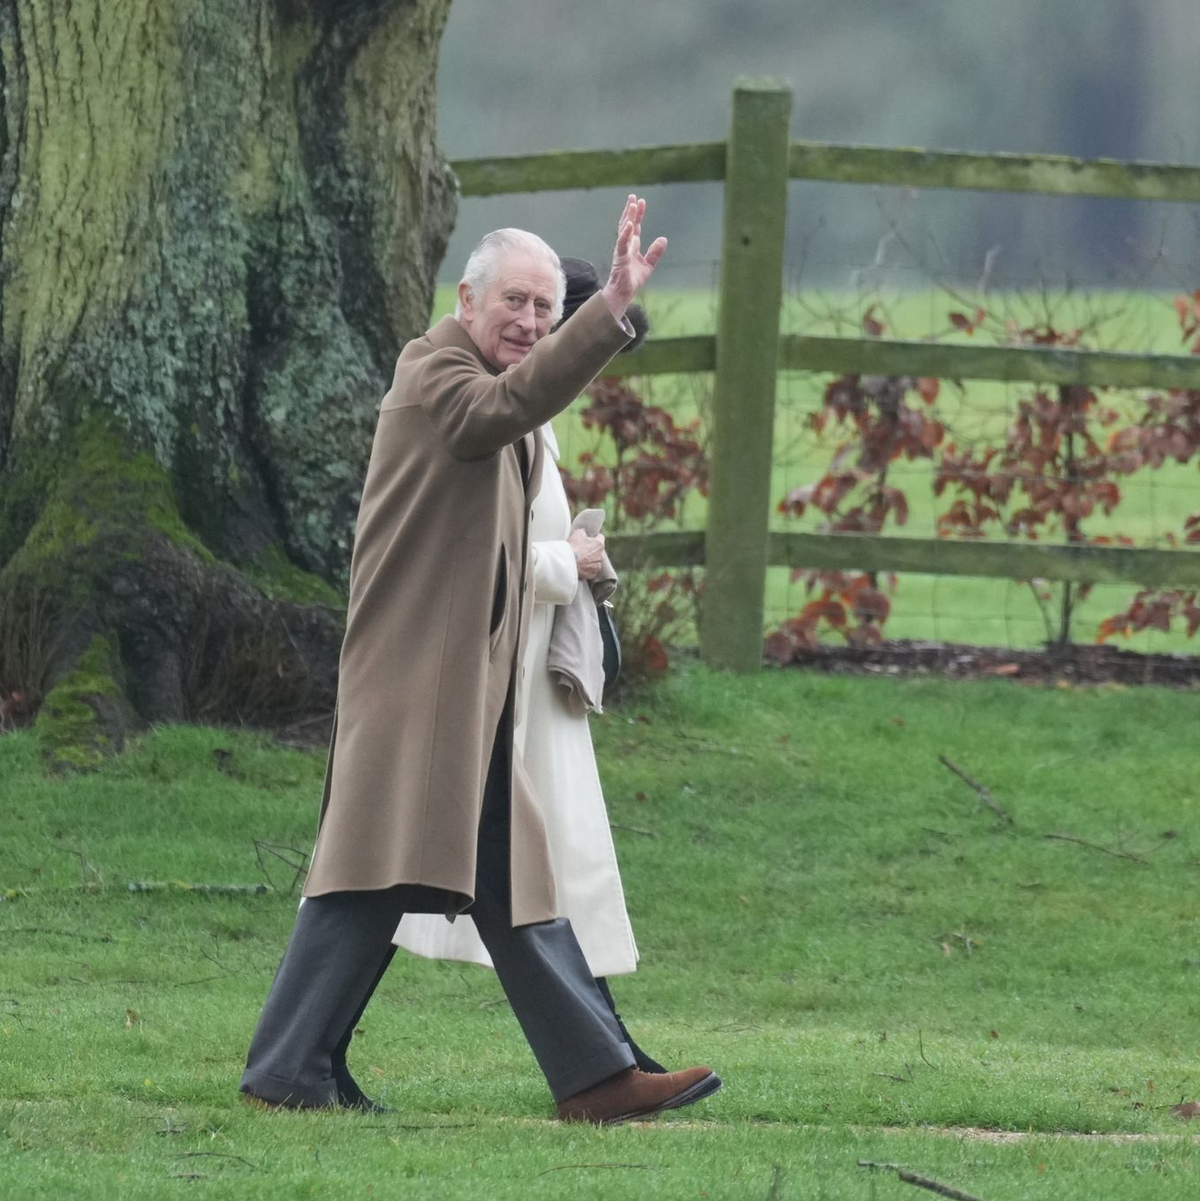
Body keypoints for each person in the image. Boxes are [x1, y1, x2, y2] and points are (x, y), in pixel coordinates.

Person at [239, 197, 721, 1125]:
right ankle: (296, 1065)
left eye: (548, 307)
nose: (533, 323)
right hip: (417, 685)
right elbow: (501, 411)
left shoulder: (481, 384)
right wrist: (606, 309)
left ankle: (583, 1076)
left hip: (458, 692)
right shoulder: (436, 373)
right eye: (517, 303)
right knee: (372, 877)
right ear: (467, 297)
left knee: (490, 877)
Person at [394, 257, 663, 1075]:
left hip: (529, 676)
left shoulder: (527, 421)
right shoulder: (480, 401)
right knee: (521, 876)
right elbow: (473, 550)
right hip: (496, 679)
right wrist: (569, 564)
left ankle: (608, 1057)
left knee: (542, 875)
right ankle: (607, 1061)